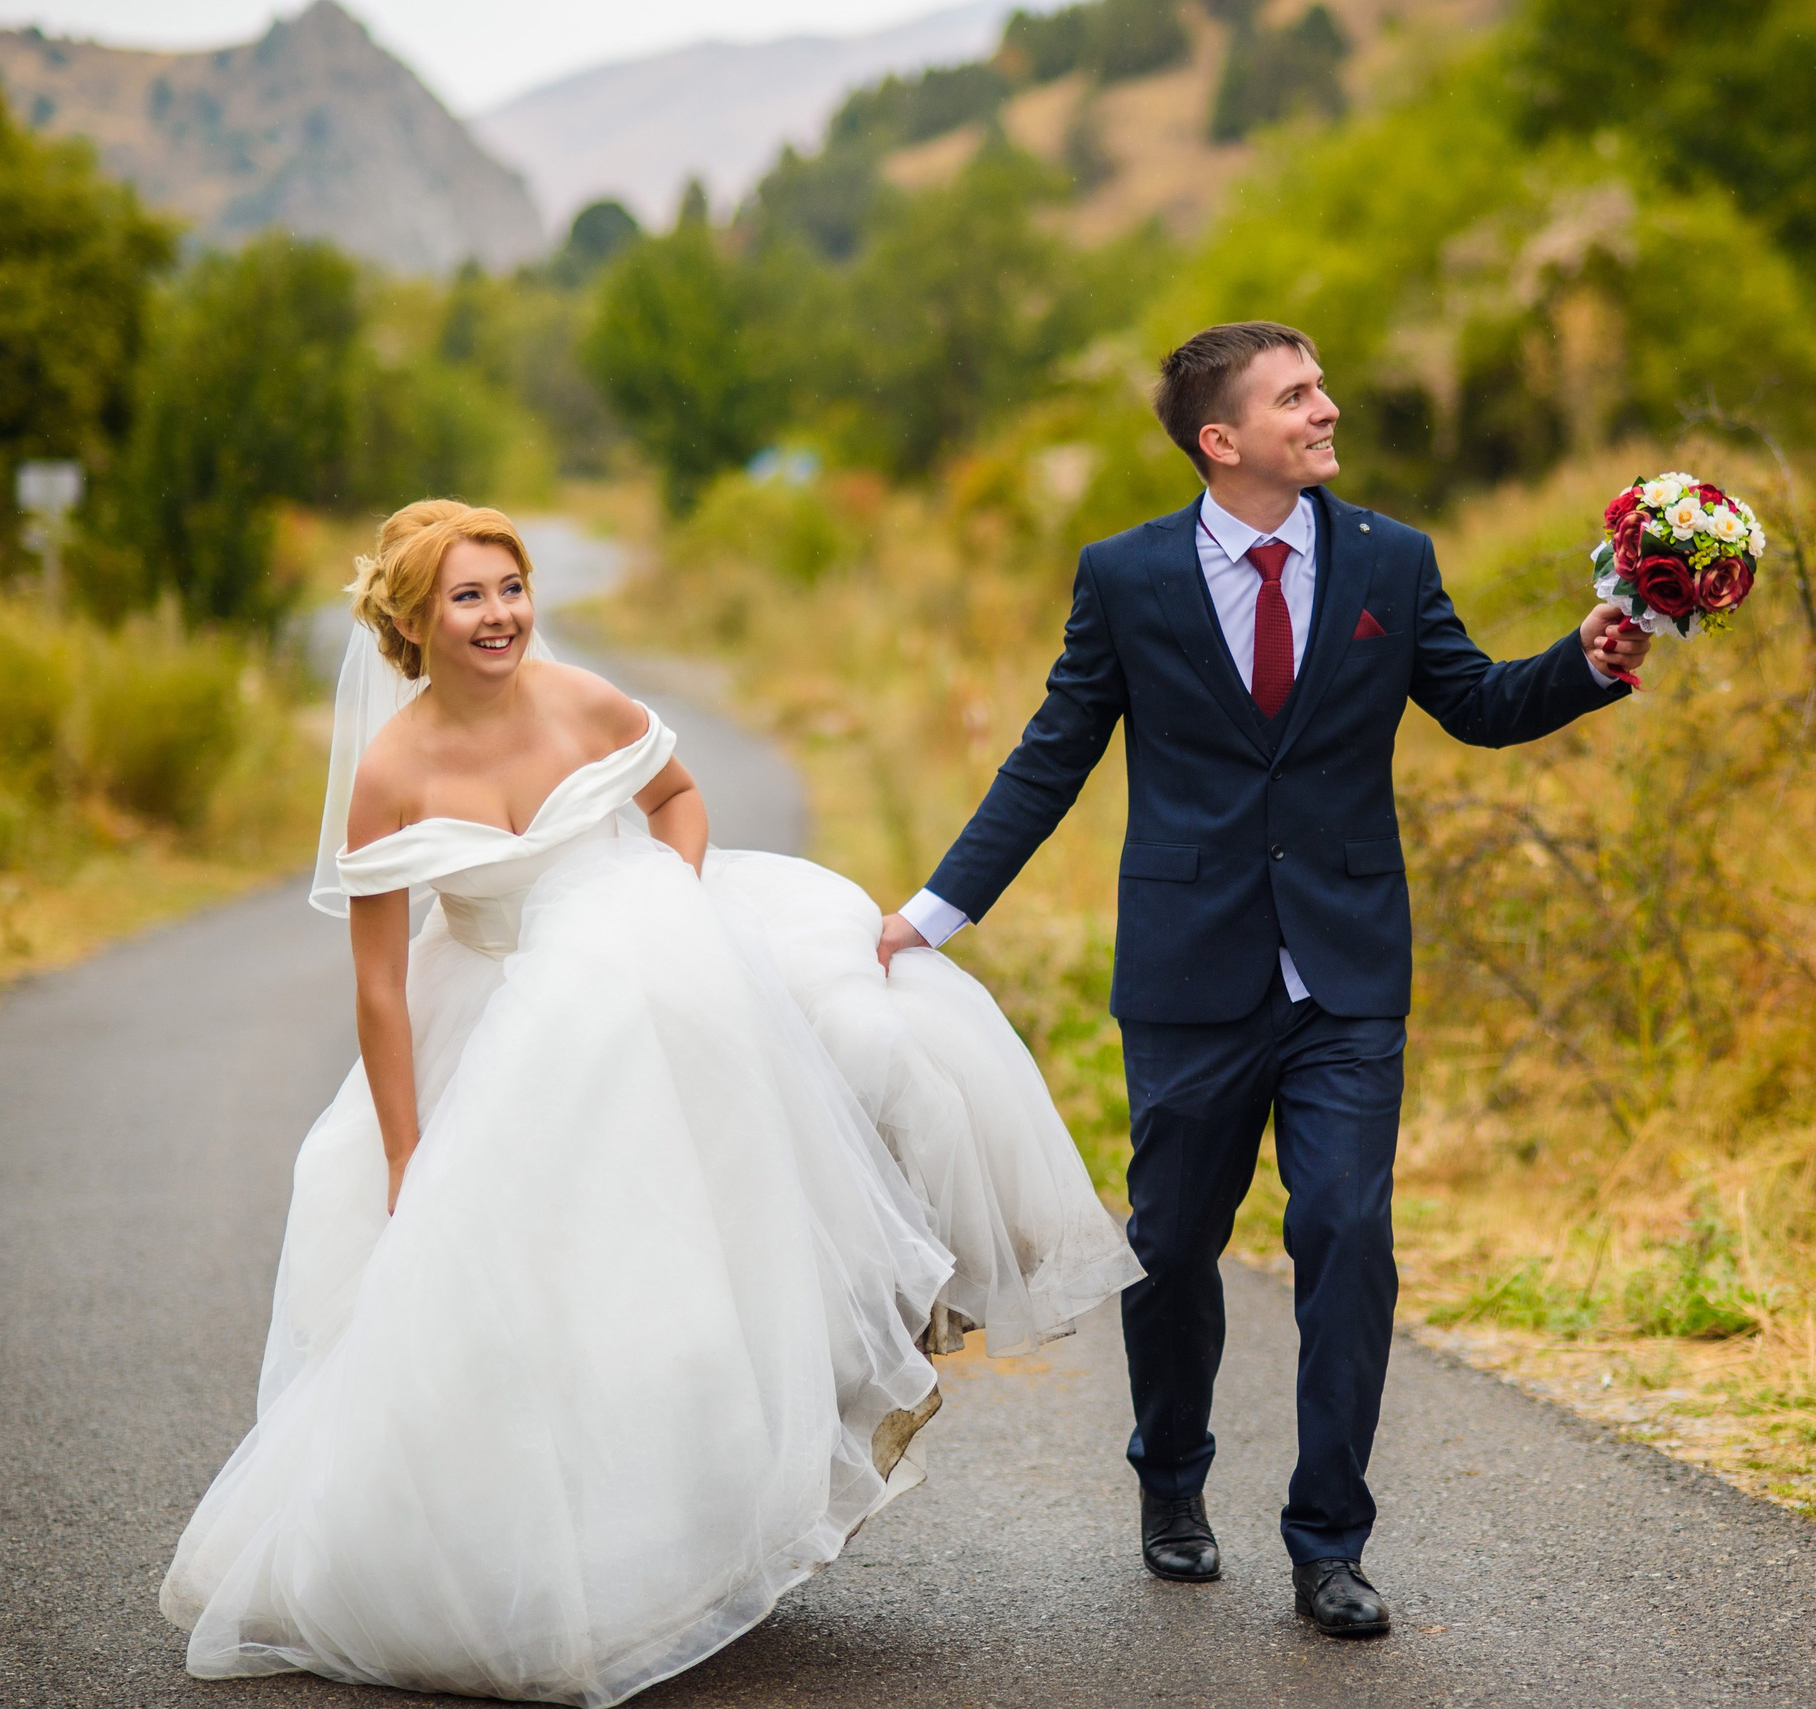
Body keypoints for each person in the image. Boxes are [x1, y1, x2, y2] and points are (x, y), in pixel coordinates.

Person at [162, 500, 1135, 1707]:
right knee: (509, 1303)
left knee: (691, 1268)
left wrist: (665, 918)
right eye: (469, 596)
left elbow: (678, 801)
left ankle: (681, 1538)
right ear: (412, 619)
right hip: (496, 1025)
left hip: (654, 996)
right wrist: (408, 1153)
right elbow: (377, 989)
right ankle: (524, 1561)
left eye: (511, 586)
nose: (501, 613)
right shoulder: (391, 770)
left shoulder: (579, 696)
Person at [875, 323, 1651, 1638]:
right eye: (1297, 395)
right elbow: (1052, 754)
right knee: (1174, 1245)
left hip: (1348, 972)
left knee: (1347, 1235)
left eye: (1322, 386)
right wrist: (935, 912)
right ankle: (1169, 1479)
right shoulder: (1125, 579)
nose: (1327, 408)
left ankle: (1327, 1542)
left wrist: (1586, 663)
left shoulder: (1392, 561)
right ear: (1219, 439)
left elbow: (1473, 701)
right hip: (1191, 971)